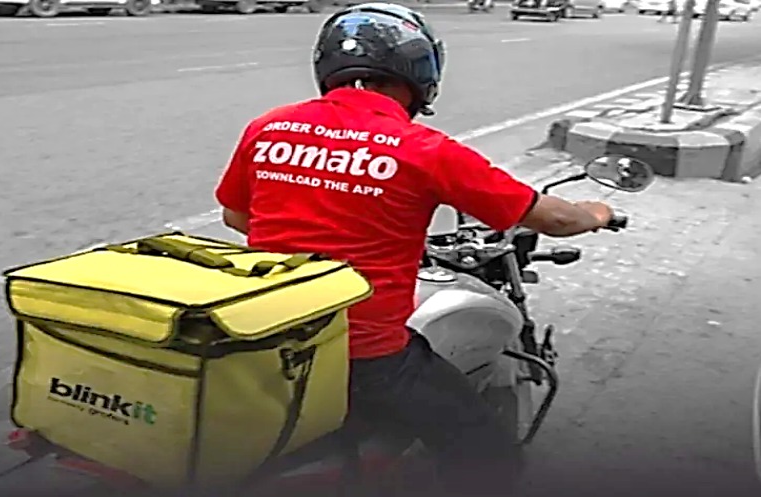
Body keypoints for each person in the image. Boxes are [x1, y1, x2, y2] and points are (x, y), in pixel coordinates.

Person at [214, 3, 615, 495]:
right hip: (365, 356)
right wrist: (597, 213)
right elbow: (555, 219)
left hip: (266, 335)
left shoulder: (269, 127)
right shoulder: (425, 149)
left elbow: (236, 216)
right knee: (488, 450)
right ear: (419, 72)